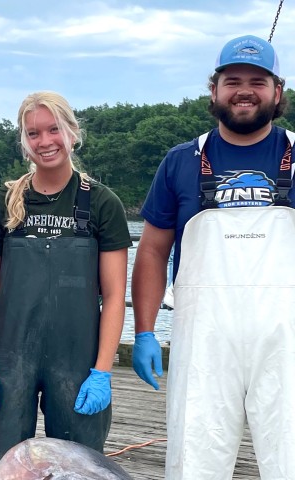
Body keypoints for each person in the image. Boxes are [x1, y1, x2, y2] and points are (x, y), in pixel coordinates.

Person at [131, 34, 295, 479]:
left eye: (258, 81)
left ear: (277, 91)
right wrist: (144, 330)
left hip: (288, 344)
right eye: (232, 80)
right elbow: (151, 251)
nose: (245, 90)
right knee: (195, 462)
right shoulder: (181, 161)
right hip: (204, 342)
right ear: (214, 90)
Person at [0, 91, 131, 479]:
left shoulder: (102, 204)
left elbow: (113, 296)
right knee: (0, 463)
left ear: (72, 133)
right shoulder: (3, 203)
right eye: (34, 133)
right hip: (7, 360)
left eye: (54, 129)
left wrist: (102, 371)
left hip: (77, 362)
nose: (45, 142)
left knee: (79, 464)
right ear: (24, 141)